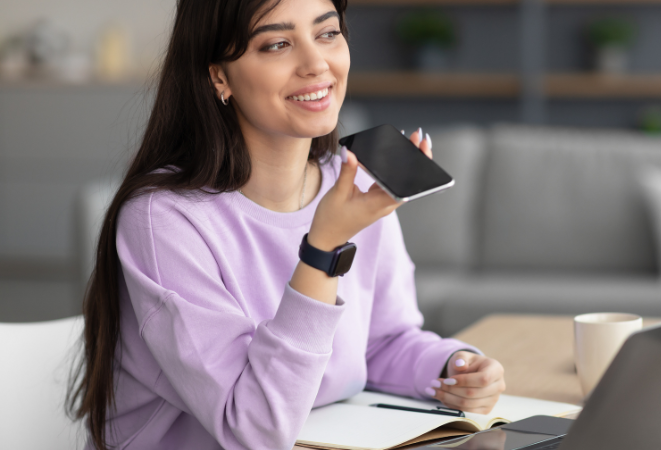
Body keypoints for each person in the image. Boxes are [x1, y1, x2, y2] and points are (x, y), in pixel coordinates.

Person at [66, 0, 506, 449]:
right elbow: (252, 427)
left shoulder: (351, 182)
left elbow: (380, 343)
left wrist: (453, 366)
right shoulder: (164, 219)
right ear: (219, 76)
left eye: (328, 33)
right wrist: (323, 250)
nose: (316, 63)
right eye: (277, 44)